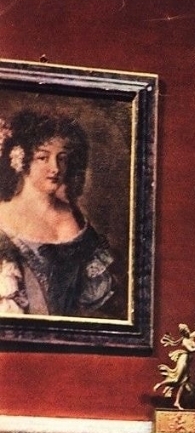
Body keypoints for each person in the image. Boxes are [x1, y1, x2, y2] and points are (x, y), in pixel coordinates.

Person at [0, 110, 118, 317]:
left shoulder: (76, 217)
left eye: (62, 158)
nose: (55, 168)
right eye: (43, 158)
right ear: (20, 160)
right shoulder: (4, 216)